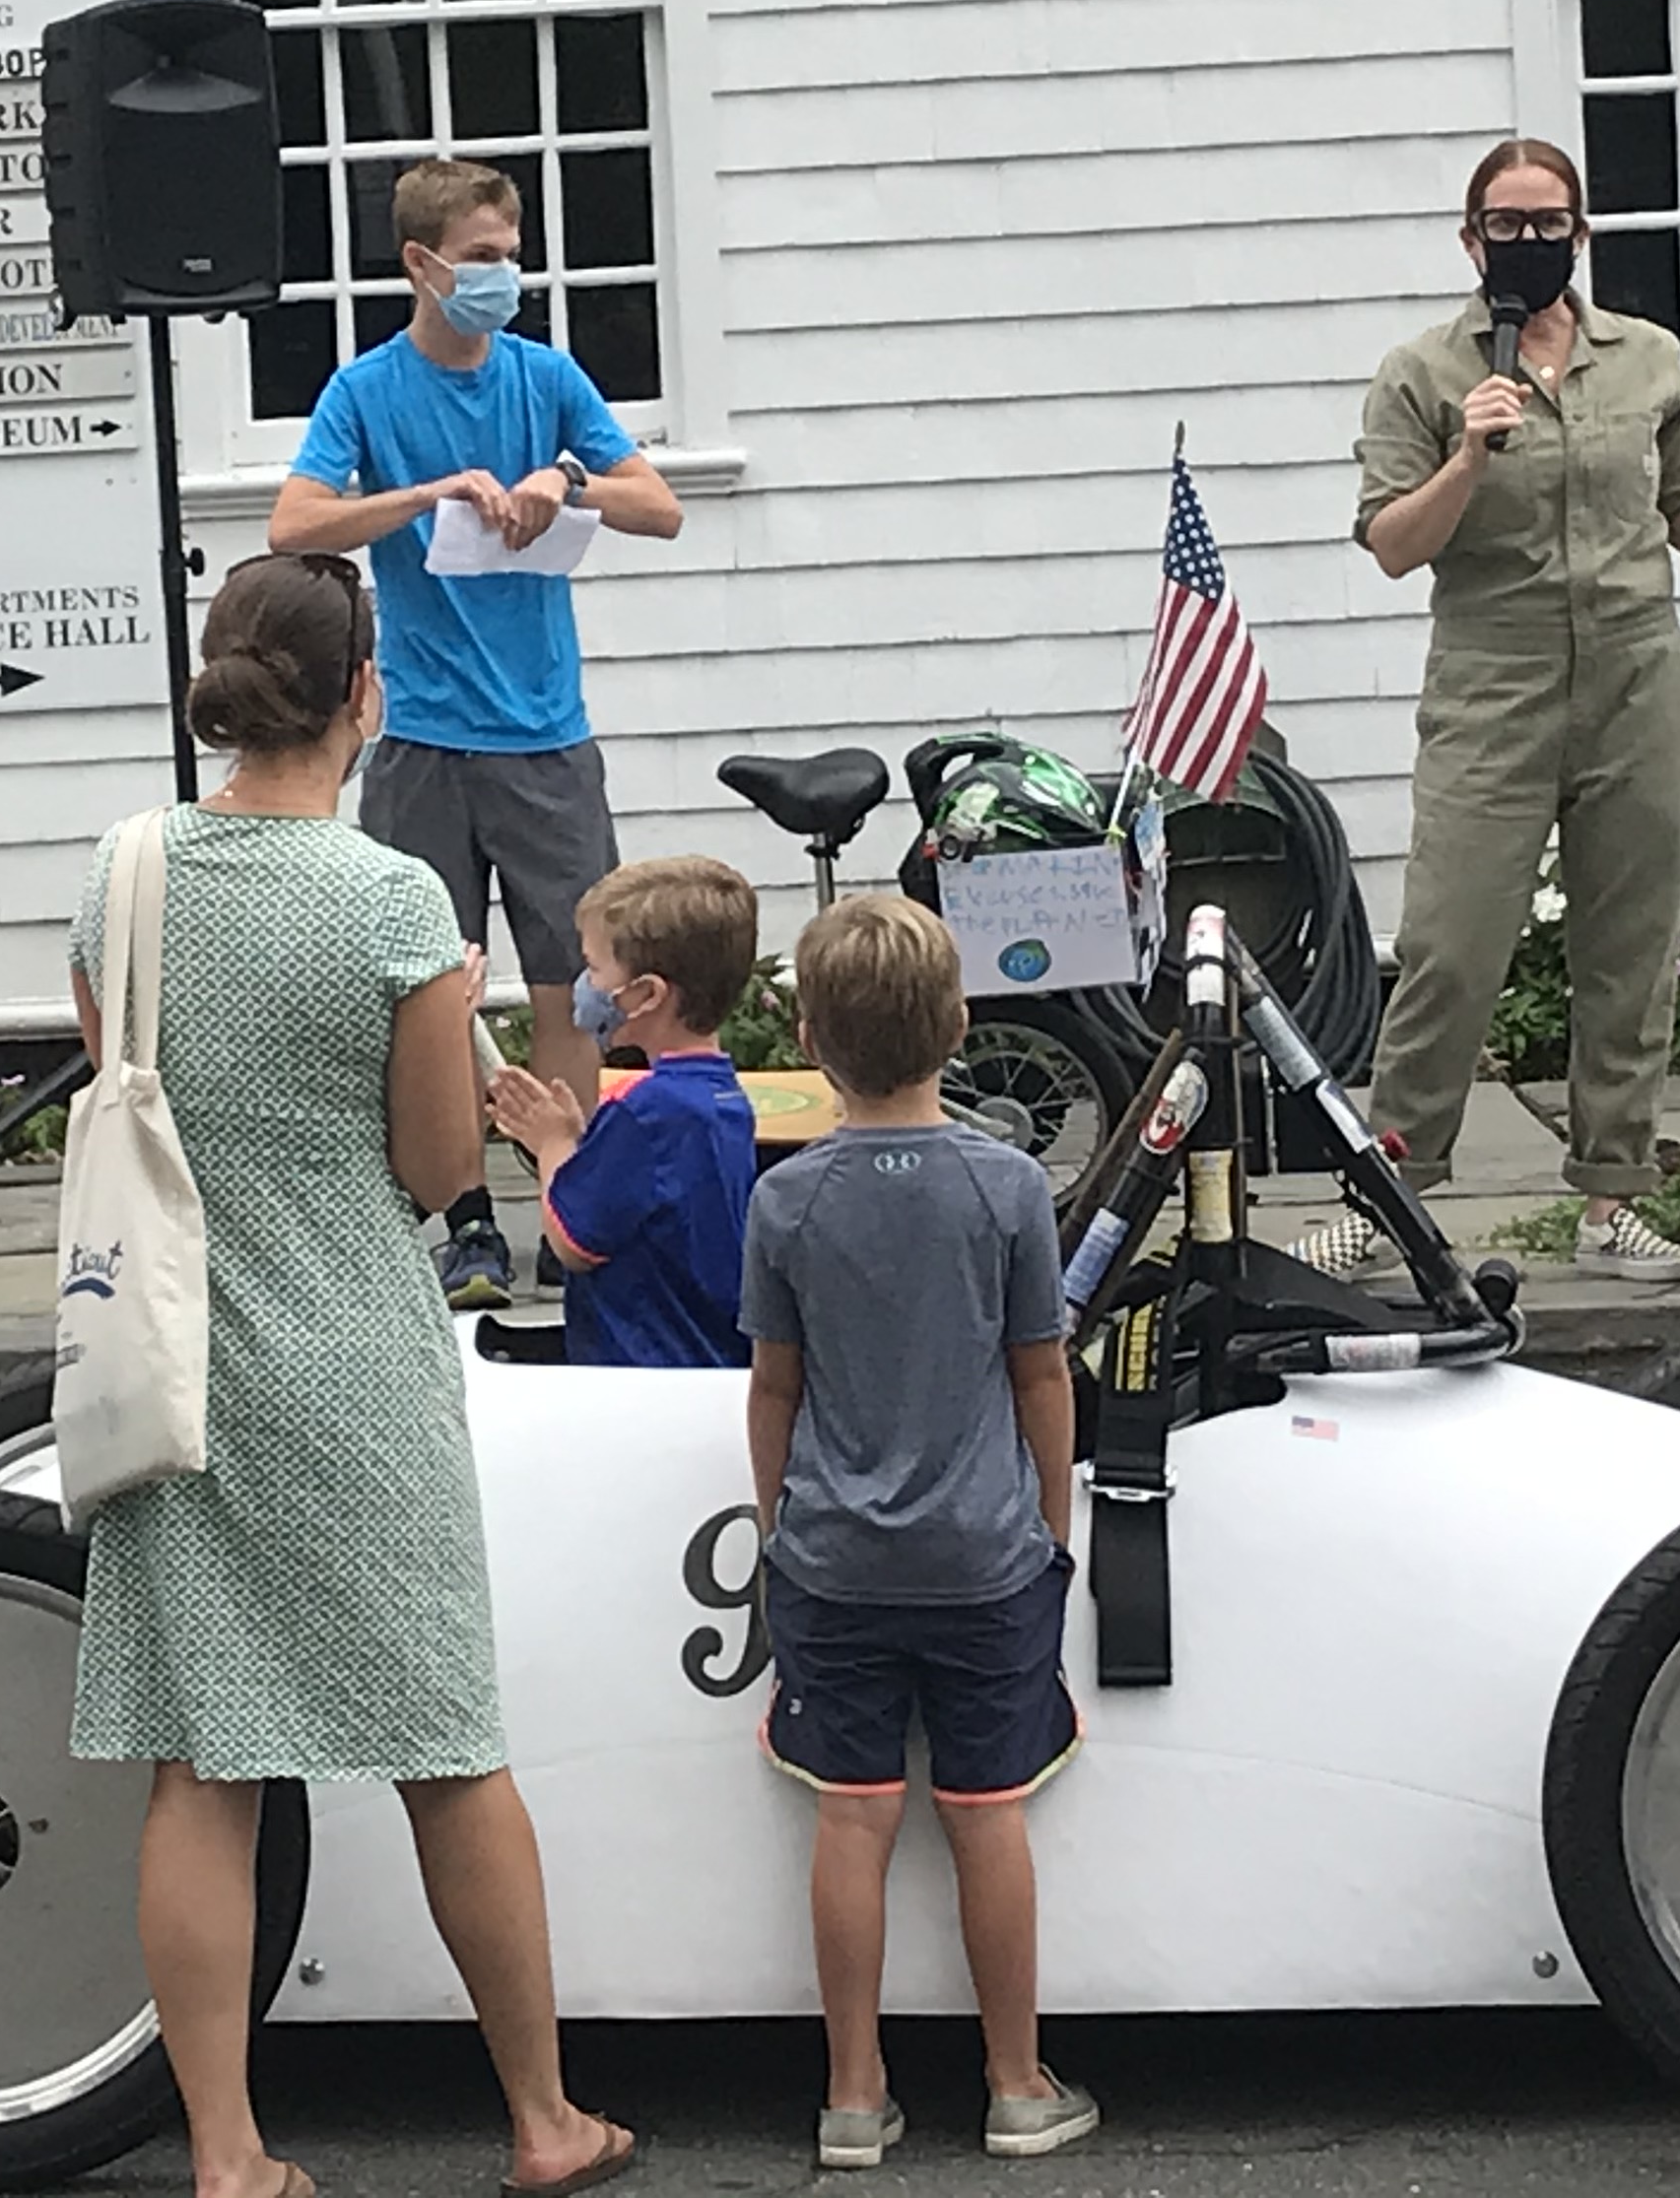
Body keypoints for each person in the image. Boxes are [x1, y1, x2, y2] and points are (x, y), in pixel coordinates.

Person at [67, 552, 636, 2198]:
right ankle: (540, 2115)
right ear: (363, 696)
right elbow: (438, 1162)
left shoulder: (122, 871)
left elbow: (119, 1076)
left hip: (171, 1359)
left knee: (204, 1759)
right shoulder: (392, 899)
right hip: (354, 1364)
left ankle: (230, 2148)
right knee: (445, 1742)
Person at [1352, 137, 1680, 1283]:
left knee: (1630, 949)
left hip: (1636, 679)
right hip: (1492, 684)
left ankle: (1611, 1195)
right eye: (1508, 225)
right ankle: (1391, 1190)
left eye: (1551, 224)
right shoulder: (1424, 371)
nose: (1530, 243)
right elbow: (1394, 546)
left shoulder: (1644, 358)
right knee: (1451, 946)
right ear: (1470, 238)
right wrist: (1467, 456)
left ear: (1581, 233)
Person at [270, 155, 685, 1313]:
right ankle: (466, 1225)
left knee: (574, 989)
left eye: (513, 255)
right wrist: (427, 494)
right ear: (423, 264)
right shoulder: (367, 389)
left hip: (546, 736)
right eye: (487, 259)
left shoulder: (547, 379)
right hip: (423, 741)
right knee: (435, 990)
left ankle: (568, 1214)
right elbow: (293, 519)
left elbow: (660, 504)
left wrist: (565, 482)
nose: (505, 277)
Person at [742, 895, 1095, 2172]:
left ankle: (851, 2094)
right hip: (984, 1556)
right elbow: (1039, 1376)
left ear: (810, 1037)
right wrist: (1049, 1531)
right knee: (986, 1814)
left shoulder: (786, 1202)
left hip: (835, 1559)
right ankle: (1013, 2083)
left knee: (855, 1814)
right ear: (956, 1025)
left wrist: (783, 1530)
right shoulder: (1008, 1188)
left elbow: (774, 1387)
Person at [483, 856, 761, 1368]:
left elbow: (573, 1240)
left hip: (643, 1372)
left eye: (594, 968)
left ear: (647, 994)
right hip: (709, 1358)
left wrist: (552, 1146)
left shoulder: (645, 1111)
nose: (585, 984)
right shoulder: (724, 1098)